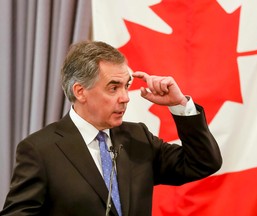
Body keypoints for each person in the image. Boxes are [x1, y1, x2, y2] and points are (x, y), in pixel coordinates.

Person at [0, 41, 222, 216]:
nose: (125, 98)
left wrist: (179, 105)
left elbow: (202, 162)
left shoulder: (137, 137)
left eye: (126, 86)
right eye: (113, 88)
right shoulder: (40, 150)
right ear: (80, 91)